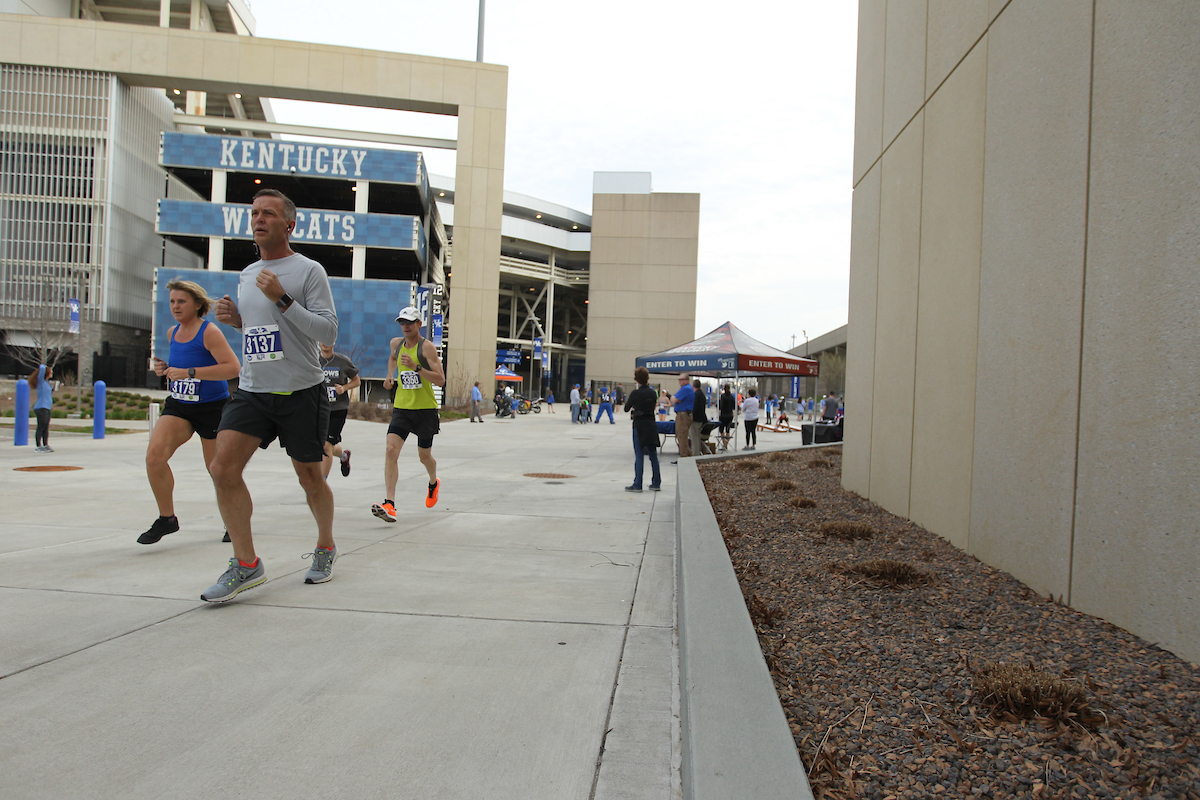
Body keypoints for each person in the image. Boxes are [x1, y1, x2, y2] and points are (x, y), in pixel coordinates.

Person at [203, 188, 339, 602]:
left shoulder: (308, 271)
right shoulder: (247, 274)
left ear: (289, 224)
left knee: (310, 477)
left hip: (301, 390)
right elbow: (267, 335)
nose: (259, 219)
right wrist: (238, 321)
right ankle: (246, 564)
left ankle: (326, 546)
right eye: (254, 213)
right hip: (253, 390)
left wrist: (281, 297)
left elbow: (327, 332)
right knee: (222, 468)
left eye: (268, 214)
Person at [139, 279, 240, 545]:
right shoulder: (173, 333)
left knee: (218, 470)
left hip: (212, 408)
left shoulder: (209, 332)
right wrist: (166, 370)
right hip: (180, 405)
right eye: (172, 301)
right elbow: (181, 367)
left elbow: (233, 368)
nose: (175, 306)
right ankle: (167, 519)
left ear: (197, 304)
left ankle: (234, 521)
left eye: (181, 301)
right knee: (154, 457)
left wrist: (190, 372)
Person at [372, 305, 447, 523]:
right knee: (390, 450)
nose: (405, 326)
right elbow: (393, 359)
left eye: (409, 322)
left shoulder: (427, 348)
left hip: (425, 410)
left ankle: (433, 482)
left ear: (418, 324)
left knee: (424, 457)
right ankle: (390, 504)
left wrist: (417, 368)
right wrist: (389, 376)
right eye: (402, 323)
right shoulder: (396, 344)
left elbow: (441, 380)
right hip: (403, 408)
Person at [319, 341, 360, 478]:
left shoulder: (342, 361)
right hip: (319, 409)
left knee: (326, 446)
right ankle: (343, 456)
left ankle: (322, 485)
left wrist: (344, 388)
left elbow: (357, 381)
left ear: (334, 341)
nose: (325, 343)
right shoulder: (313, 360)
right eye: (322, 339)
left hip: (338, 409)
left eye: (328, 339)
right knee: (325, 446)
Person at [624, 367, 661, 492]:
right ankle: (656, 482)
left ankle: (637, 483)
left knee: (639, 455)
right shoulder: (653, 393)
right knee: (653, 455)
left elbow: (626, 408)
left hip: (639, 425)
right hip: (651, 423)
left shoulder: (636, 393)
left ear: (636, 379)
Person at [28, 363, 54, 452]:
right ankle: (38, 446)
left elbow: (47, 394)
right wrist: (45, 365)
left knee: (46, 427)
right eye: (51, 371)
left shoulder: (46, 383)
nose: (52, 373)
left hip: (47, 407)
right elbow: (42, 368)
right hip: (41, 407)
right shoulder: (41, 381)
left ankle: (46, 444)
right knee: (41, 426)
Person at [669, 373, 694, 458]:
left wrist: (673, 397)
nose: (679, 381)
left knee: (682, 436)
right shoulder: (687, 389)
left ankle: (684, 457)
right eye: (679, 380)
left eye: (681, 380)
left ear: (687, 380)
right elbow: (677, 400)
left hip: (683, 415)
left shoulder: (685, 389)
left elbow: (675, 400)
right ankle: (688, 455)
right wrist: (676, 399)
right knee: (682, 436)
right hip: (684, 414)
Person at [689, 379, 707, 456]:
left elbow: (694, 407)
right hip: (701, 418)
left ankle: (695, 454)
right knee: (696, 438)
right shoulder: (702, 394)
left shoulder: (696, 395)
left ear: (693, 386)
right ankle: (696, 453)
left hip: (695, 419)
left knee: (694, 438)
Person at [717, 384, 735, 451]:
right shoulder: (731, 396)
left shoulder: (723, 396)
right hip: (730, 415)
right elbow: (734, 406)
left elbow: (721, 406)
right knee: (728, 430)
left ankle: (724, 443)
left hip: (723, 415)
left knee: (721, 430)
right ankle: (726, 444)